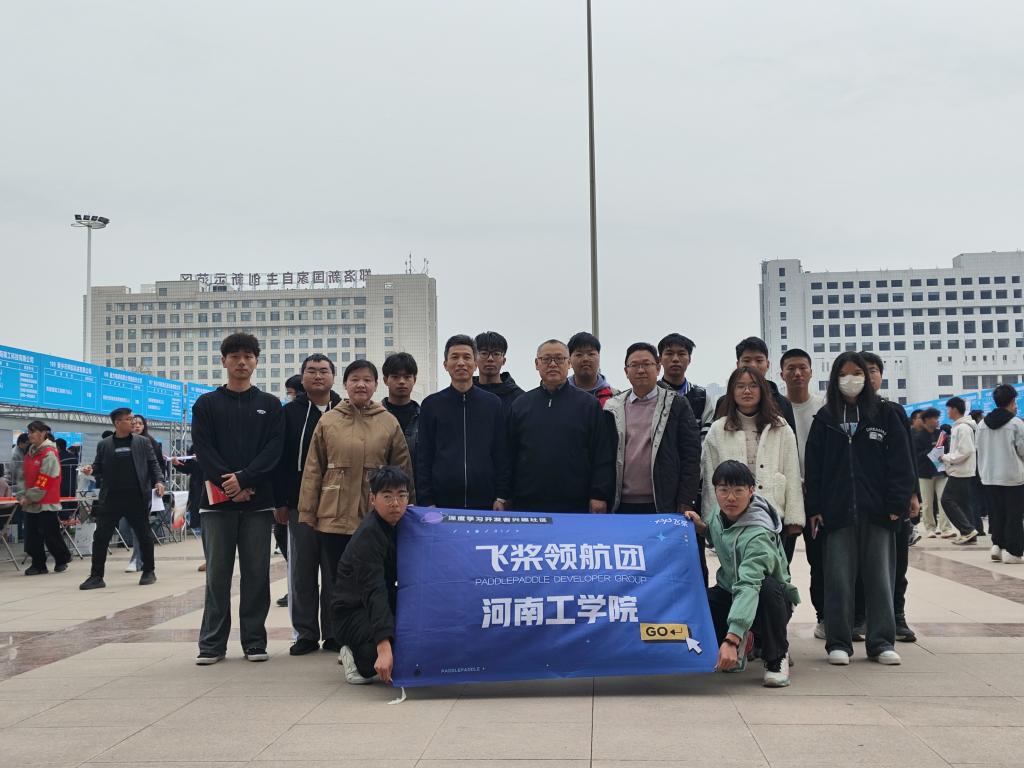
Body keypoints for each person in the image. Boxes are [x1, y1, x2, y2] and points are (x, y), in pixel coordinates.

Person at [805, 352, 916, 666]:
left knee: (880, 580)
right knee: (838, 581)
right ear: (834, 379)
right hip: (837, 514)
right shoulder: (825, 417)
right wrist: (815, 507)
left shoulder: (884, 414)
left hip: (879, 513)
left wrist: (896, 504)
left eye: (857, 373)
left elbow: (901, 462)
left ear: (867, 379)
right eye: (844, 374)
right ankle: (838, 642)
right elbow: (814, 468)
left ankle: (881, 643)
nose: (850, 379)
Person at [191, 333, 285, 665]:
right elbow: (203, 449)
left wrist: (245, 479)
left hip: (258, 503)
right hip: (216, 504)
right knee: (217, 575)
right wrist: (230, 483)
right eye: (234, 356)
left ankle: (254, 642)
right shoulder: (206, 404)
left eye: (248, 356)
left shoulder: (270, 405)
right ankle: (212, 644)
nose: (241, 362)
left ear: (256, 361)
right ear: (223, 361)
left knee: (256, 573)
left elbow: (274, 449)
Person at [298, 359, 414, 624]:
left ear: (376, 385)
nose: (361, 384)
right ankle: (335, 636)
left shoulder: (388, 422)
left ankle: (376, 632)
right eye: (355, 379)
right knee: (336, 580)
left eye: (367, 380)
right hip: (334, 517)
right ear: (345, 384)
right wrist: (308, 512)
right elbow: (313, 469)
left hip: (376, 517)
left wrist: (406, 511)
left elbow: (403, 472)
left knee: (378, 577)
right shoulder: (329, 421)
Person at [684, 460, 799, 688]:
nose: (731, 498)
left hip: (767, 602)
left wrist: (732, 638)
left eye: (738, 490)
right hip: (732, 591)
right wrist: (701, 528)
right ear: (715, 491)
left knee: (767, 589)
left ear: (751, 490)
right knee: (703, 601)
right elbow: (722, 537)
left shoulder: (759, 534)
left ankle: (776, 657)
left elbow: (749, 585)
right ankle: (744, 644)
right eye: (723, 490)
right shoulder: (719, 515)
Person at [272, 353, 343, 655]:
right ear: (302, 378)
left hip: (337, 506)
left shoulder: (344, 410)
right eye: (311, 371)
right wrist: (280, 501)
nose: (318, 376)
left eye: (324, 371)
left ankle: (334, 632)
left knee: (334, 571)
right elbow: (279, 459)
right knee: (302, 570)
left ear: (333, 377)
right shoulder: (289, 413)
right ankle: (305, 633)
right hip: (299, 504)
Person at [506, 339, 615, 512]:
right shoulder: (521, 404)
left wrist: (599, 494)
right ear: (536, 364)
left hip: (576, 503)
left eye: (559, 359)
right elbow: (509, 454)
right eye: (546, 359)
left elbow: (601, 453)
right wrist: (504, 494)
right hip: (528, 502)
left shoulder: (588, 404)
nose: (552, 364)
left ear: (569, 363)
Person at [701, 368, 804, 543]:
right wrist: (711, 522)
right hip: (732, 516)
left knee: (774, 560)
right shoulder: (718, 429)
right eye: (740, 386)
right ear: (731, 391)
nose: (747, 391)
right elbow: (710, 479)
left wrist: (794, 519)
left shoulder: (781, 427)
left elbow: (792, 473)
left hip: (773, 514)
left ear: (762, 390)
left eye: (753, 386)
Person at [862, 352, 920, 644]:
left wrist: (912, 494)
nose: (868, 376)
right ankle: (860, 616)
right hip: (860, 502)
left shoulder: (893, 411)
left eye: (873, 370)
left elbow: (907, 456)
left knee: (897, 562)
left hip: (892, 500)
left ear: (881, 376)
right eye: (862, 370)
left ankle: (897, 615)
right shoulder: (841, 413)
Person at [334, 465, 410, 685]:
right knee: (378, 655)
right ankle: (352, 654)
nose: (395, 503)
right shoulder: (368, 535)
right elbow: (374, 591)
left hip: (387, 598)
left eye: (401, 495)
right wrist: (384, 648)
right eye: (387, 496)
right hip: (352, 611)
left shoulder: (404, 523)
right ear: (372, 499)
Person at [604, 342, 700, 514]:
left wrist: (686, 499)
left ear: (658, 367)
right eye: (635, 365)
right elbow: (603, 455)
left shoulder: (675, 404)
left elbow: (691, 455)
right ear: (626, 371)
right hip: (620, 503)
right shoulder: (613, 407)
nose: (641, 370)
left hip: (663, 503)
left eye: (647, 364)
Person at [416, 335, 507, 510]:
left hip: (486, 500)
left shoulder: (492, 404)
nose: (461, 363)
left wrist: (501, 496)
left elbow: (501, 452)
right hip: (441, 502)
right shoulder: (431, 405)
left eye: (466, 357)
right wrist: (426, 499)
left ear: (475, 363)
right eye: (455, 357)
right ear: (445, 364)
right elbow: (424, 456)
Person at [78, 408, 165, 589]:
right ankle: (96, 576)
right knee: (101, 536)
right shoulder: (105, 444)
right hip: (111, 497)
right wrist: (91, 469)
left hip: (136, 496)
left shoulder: (142, 442)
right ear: (117, 423)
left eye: (133, 418)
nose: (133, 422)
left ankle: (149, 571)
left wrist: (159, 481)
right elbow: (98, 465)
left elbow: (153, 464)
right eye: (129, 419)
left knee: (144, 535)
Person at [779, 348, 826, 637]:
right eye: (791, 368)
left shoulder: (824, 407)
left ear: (811, 371)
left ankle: (825, 617)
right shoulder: (775, 407)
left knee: (820, 561)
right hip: (785, 498)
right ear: (781, 373)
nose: (797, 373)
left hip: (817, 497)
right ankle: (777, 622)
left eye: (802, 368)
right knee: (779, 562)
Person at [15, 421, 72, 575]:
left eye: (33, 432)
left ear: (43, 433)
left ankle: (62, 559)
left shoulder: (49, 453)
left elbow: (46, 477)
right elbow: (22, 476)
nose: (30, 435)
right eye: (29, 432)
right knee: (32, 536)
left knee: (50, 534)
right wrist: (21, 494)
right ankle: (38, 564)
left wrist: (31, 496)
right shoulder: (29, 453)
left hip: (46, 501)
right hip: (30, 502)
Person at [976, 384, 1024, 564]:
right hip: (1012, 477)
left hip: (989, 475)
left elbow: (978, 448)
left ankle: (997, 545)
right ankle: (1013, 552)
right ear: (1012, 402)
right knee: (1013, 515)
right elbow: (1022, 450)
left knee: (996, 513)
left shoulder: (982, 424)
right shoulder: (1016, 423)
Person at [717, 338, 796, 433]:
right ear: (738, 365)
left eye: (759, 360)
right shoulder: (724, 402)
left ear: (767, 364)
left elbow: (790, 440)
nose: (753, 365)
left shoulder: (783, 403)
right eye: (747, 361)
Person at [124, 414, 167, 573]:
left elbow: (158, 466)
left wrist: (159, 482)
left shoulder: (150, 443)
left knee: (139, 524)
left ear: (144, 426)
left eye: (139, 423)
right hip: (126, 489)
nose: (136, 426)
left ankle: (137, 558)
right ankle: (141, 557)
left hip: (146, 490)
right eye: (134, 423)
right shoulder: (124, 443)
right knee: (129, 525)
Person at [656, 333, 716, 440]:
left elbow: (707, 438)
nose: (675, 359)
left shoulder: (702, 397)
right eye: (669, 353)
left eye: (681, 354)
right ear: (660, 359)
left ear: (689, 359)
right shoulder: (651, 394)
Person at [939, 397, 980, 545]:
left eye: (948, 409)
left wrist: (946, 457)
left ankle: (967, 530)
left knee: (946, 500)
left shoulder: (962, 428)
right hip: (963, 471)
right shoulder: (961, 427)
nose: (947, 412)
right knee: (963, 504)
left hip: (960, 471)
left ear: (955, 409)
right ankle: (969, 533)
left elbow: (965, 451)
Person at [915, 408, 955, 539]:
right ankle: (930, 528)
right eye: (934, 418)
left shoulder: (942, 435)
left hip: (941, 472)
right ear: (926, 420)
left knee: (944, 500)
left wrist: (943, 455)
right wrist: (931, 451)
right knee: (927, 503)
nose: (937, 420)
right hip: (925, 473)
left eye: (937, 418)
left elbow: (947, 450)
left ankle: (946, 528)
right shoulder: (918, 436)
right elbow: (916, 456)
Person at [473, 331, 526, 412]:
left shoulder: (519, 398)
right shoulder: (465, 393)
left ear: (504, 360)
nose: (490, 359)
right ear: (475, 359)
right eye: (484, 353)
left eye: (496, 354)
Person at [381, 352, 420, 459]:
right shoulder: (374, 416)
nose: (402, 381)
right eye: (395, 377)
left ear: (414, 380)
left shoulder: (425, 417)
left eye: (407, 377)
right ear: (385, 380)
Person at [567, 331, 616, 406]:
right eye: (579, 354)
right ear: (569, 359)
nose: (585, 359)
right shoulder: (559, 395)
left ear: (599, 357)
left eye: (591, 354)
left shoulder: (615, 397)